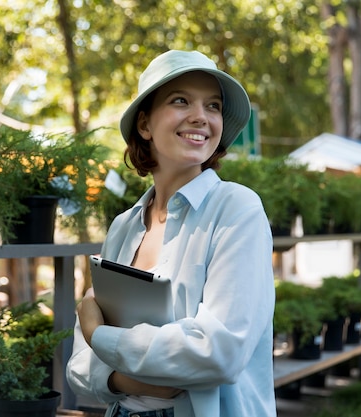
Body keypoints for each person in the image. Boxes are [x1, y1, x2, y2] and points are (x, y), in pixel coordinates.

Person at [66, 50, 276, 417]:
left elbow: (218, 353)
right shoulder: (123, 227)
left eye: (212, 106)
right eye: (181, 100)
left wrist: (102, 338)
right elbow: (79, 368)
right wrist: (137, 381)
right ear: (144, 125)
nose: (201, 116)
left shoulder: (236, 209)